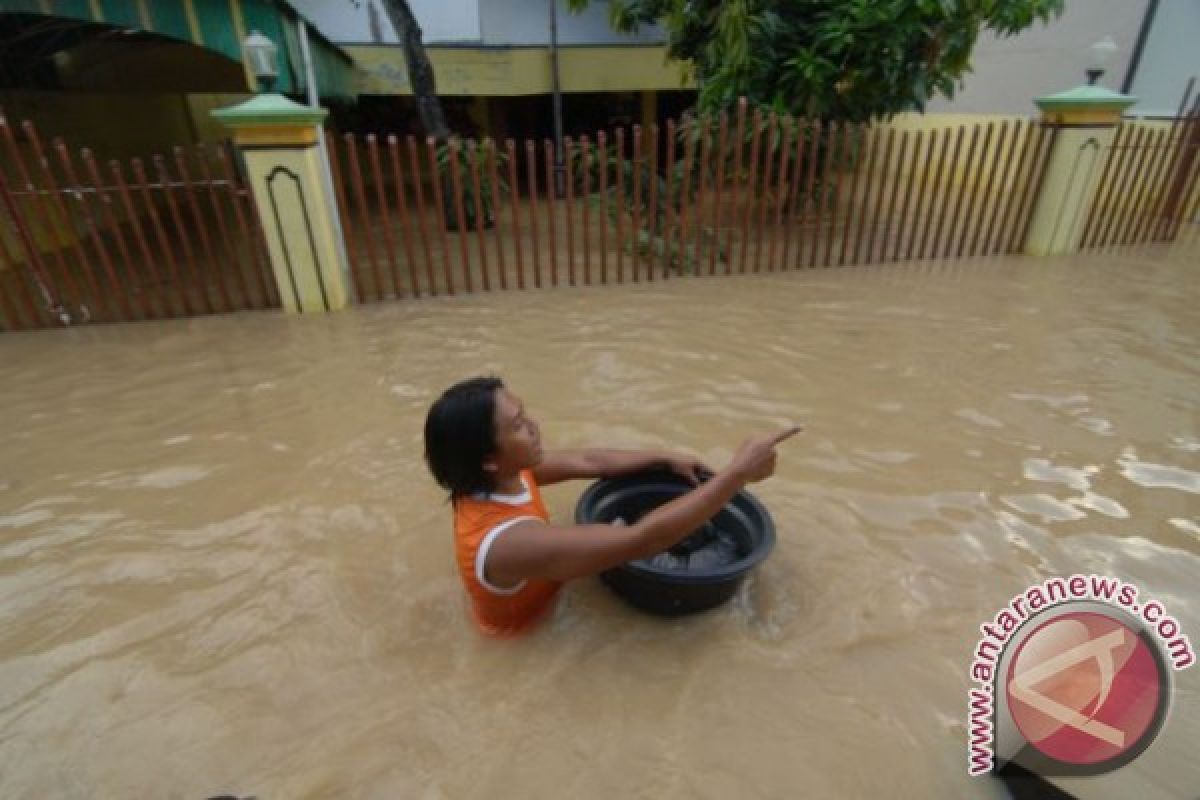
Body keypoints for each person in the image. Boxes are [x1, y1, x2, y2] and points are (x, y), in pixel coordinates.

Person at [423, 376, 801, 636]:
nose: (535, 425)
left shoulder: (503, 475)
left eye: (525, 414)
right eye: (519, 425)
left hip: (545, 588)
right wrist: (736, 474)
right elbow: (643, 540)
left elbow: (589, 461)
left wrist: (664, 458)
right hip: (525, 633)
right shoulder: (508, 543)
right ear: (489, 459)